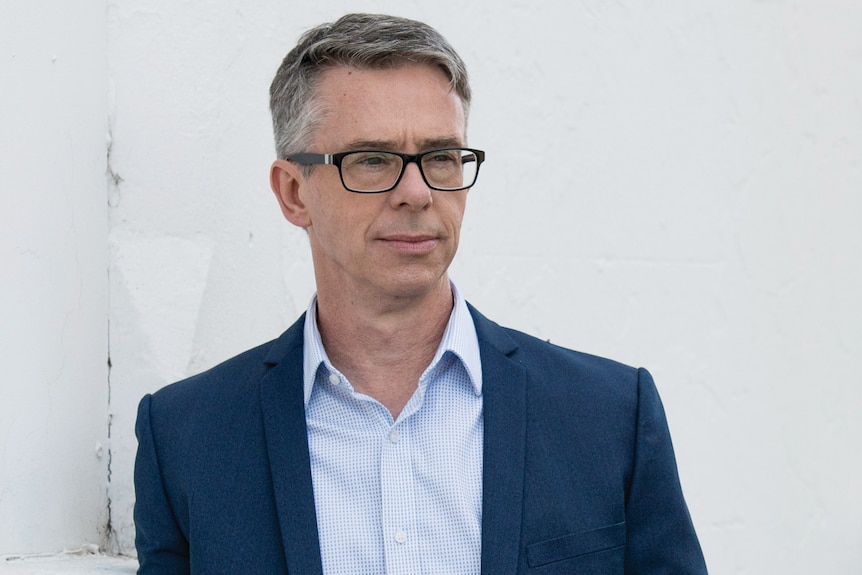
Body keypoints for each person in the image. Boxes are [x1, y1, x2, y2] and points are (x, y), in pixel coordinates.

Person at [133, 13, 707, 575]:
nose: (416, 192)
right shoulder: (187, 438)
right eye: (373, 159)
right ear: (293, 192)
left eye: (439, 157)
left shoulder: (609, 417)